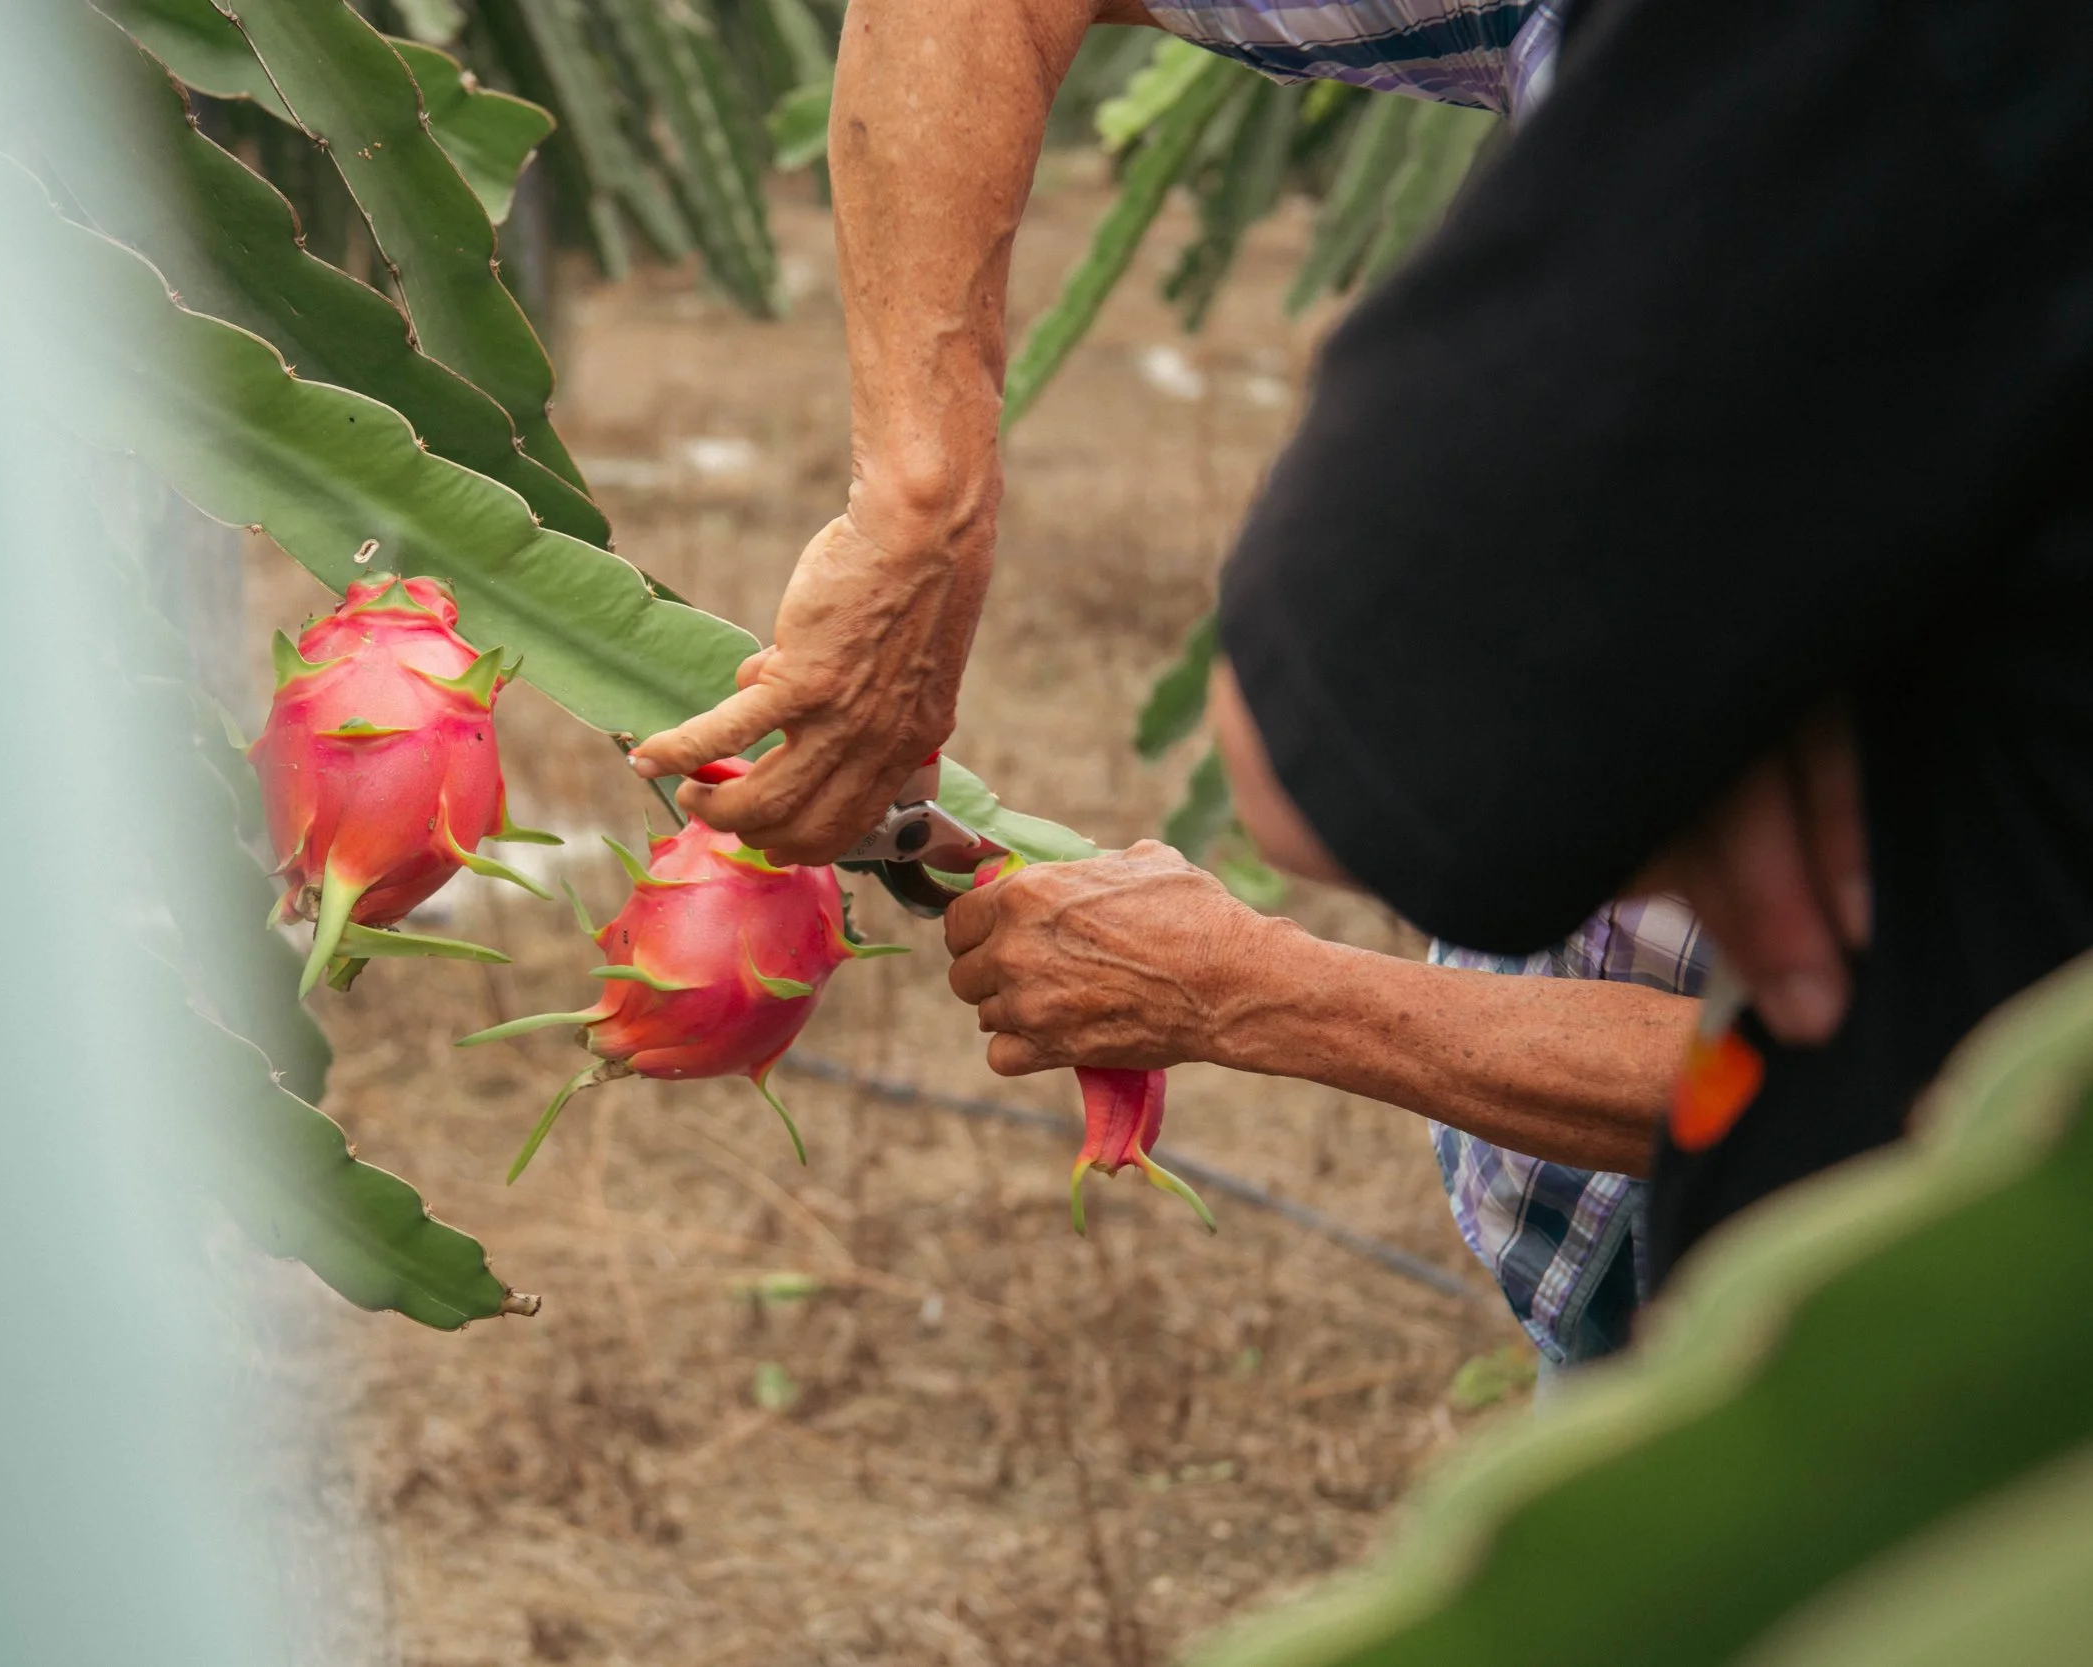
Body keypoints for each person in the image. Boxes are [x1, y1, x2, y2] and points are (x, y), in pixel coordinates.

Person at [635, 0, 2093, 1290]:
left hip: (1948, 1341)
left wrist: (1259, 989)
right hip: (1664, 1225)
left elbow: (1349, 739)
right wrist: (919, 507)